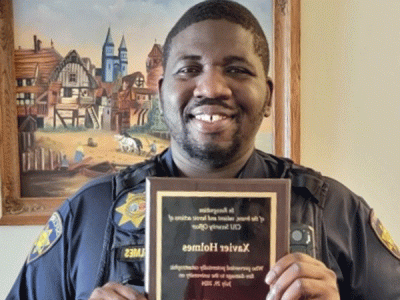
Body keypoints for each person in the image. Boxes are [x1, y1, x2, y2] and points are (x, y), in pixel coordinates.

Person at [7, 1, 400, 299]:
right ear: (160, 94)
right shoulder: (89, 213)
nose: (212, 88)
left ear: (268, 98)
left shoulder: (333, 211)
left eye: (237, 70)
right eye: (189, 69)